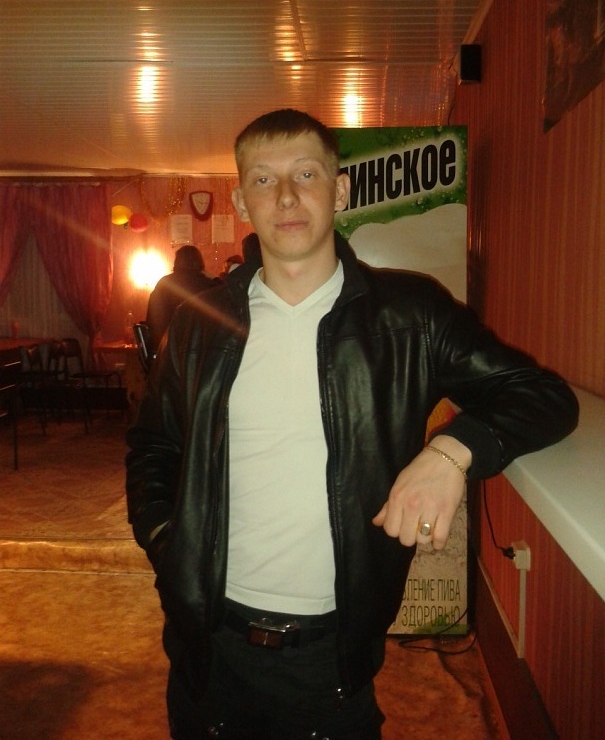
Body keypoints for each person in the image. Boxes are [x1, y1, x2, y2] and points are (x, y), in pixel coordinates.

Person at [126, 109, 578, 740]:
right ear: (242, 201)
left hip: (331, 658)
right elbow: (153, 445)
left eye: (306, 174)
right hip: (207, 651)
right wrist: (166, 543)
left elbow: (544, 396)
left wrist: (451, 452)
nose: (286, 196)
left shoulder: (410, 315)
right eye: (264, 179)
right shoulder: (199, 323)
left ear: (340, 191)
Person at [146, 245, 219, 353]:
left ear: (177, 261)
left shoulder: (164, 284)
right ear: (199, 262)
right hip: (201, 351)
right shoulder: (209, 286)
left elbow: (152, 319)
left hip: (167, 349)